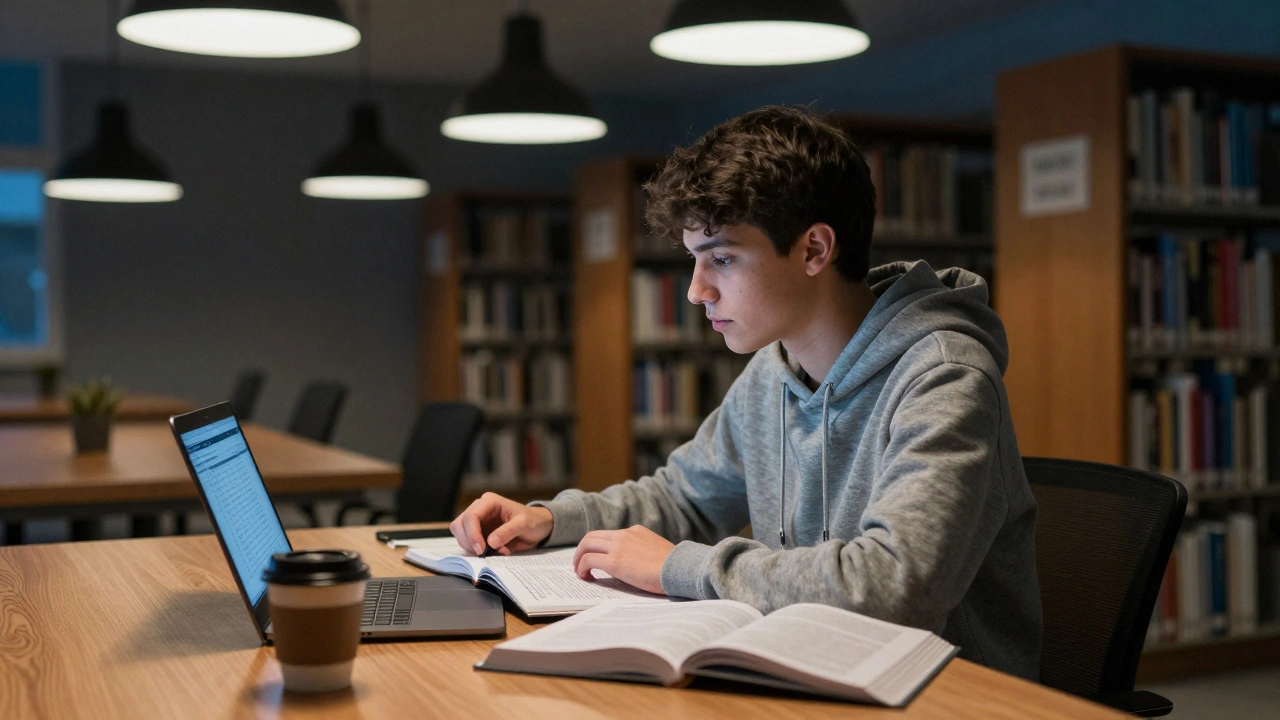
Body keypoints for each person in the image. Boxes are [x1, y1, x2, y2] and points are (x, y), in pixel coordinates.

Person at [450, 105, 1042, 680]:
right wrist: (552, 518)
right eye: (693, 261)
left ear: (814, 249)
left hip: (943, 694)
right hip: (813, 670)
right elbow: (685, 496)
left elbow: (893, 586)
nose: (695, 291)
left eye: (723, 259)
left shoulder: (943, 375)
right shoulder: (772, 370)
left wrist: (681, 566)